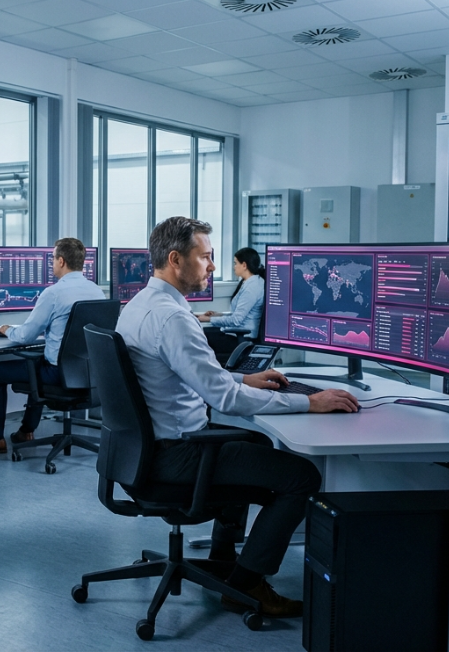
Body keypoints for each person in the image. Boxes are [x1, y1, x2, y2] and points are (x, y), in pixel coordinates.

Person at [115, 216, 359, 618]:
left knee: (257, 445)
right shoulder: (174, 318)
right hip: (176, 454)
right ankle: (245, 585)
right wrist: (309, 403)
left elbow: (188, 372)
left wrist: (245, 376)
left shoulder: (140, 305)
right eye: (205, 257)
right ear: (176, 259)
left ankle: (226, 560)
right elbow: (224, 399)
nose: (212, 266)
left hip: (144, 450)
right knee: (303, 478)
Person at [0, 237, 106, 454]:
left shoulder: (53, 293)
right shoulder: (97, 291)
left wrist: (7, 330)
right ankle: (26, 431)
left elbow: (25, 336)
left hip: (58, 375)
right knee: (38, 363)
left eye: (52, 259)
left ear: (61, 261)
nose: (51, 263)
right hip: (89, 374)